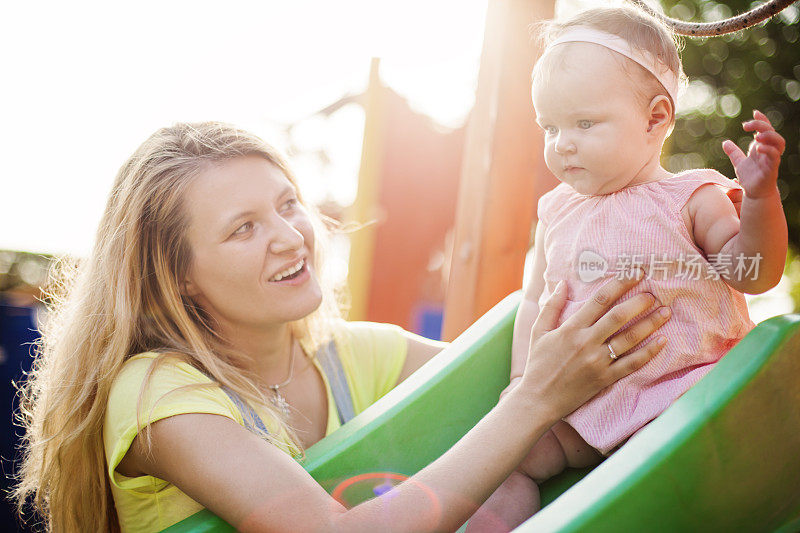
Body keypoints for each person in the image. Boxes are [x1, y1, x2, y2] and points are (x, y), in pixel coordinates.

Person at [12, 122, 671, 533]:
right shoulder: (156, 393)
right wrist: (532, 399)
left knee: (510, 476)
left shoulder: (351, 353)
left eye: (287, 203)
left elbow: (551, 427)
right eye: (244, 228)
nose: (289, 235)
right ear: (178, 274)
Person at [466, 6, 788, 532]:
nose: (561, 142)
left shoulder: (692, 197)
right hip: (580, 407)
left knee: (678, 485)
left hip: (683, 399)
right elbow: (533, 304)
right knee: (501, 462)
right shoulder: (557, 210)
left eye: (584, 123)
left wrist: (760, 201)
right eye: (550, 126)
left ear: (656, 118)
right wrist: (523, 384)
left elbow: (754, 271)